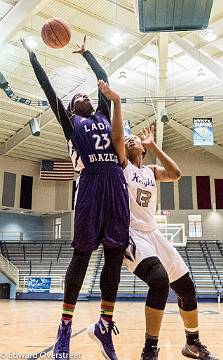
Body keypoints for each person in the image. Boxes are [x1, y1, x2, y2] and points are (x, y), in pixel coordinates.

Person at [21, 37, 129, 360]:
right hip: (90, 186)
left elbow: (103, 81)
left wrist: (87, 55)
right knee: (81, 257)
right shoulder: (72, 125)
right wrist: (33, 57)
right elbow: (48, 90)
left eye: (86, 95)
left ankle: (104, 325)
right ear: (70, 109)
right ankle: (64, 329)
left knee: (114, 256)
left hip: (115, 184)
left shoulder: (103, 115)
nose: (81, 96)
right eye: (76, 97)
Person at [108, 108, 219, 360]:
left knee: (187, 288)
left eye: (134, 138)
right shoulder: (122, 166)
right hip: (132, 234)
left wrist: (154, 145)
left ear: (144, 150)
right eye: (127, 140)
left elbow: (176, 174)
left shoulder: (150, 171)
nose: (130, 139)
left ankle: (192, 344)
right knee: (158, 280)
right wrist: (115, 104)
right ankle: (149, 350)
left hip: (154, 234)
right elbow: (118, 141)